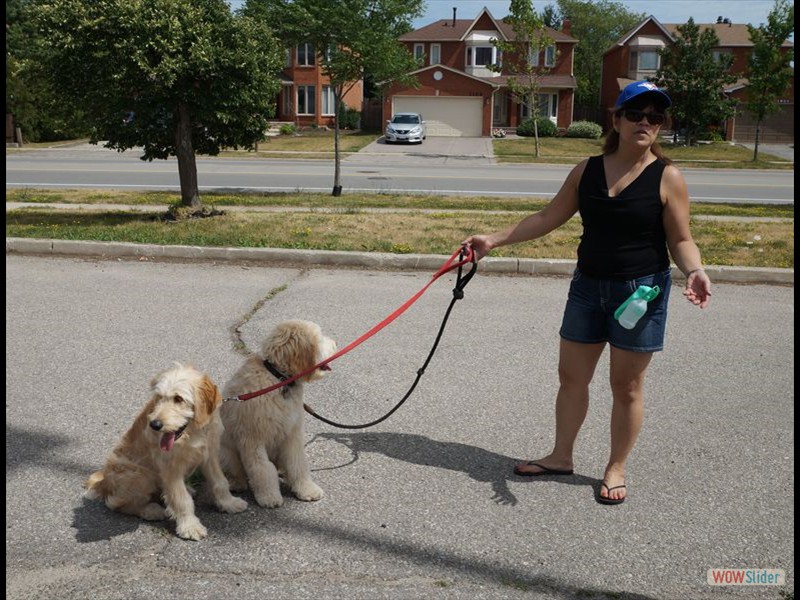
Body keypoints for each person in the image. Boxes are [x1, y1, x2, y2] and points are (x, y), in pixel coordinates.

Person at [463, 80, 711, 505]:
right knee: (571, 378)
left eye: (655, 117)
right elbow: (548, 217)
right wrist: (493, 239)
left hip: (640, 293)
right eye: (636, 114)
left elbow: (681, 239)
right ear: (617, 120)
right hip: (587, 288)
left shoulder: (667, 176)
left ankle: (616, 467)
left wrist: (696, 270)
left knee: (626, 386)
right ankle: (561, 456)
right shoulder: (587, 170)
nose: (645, 122)